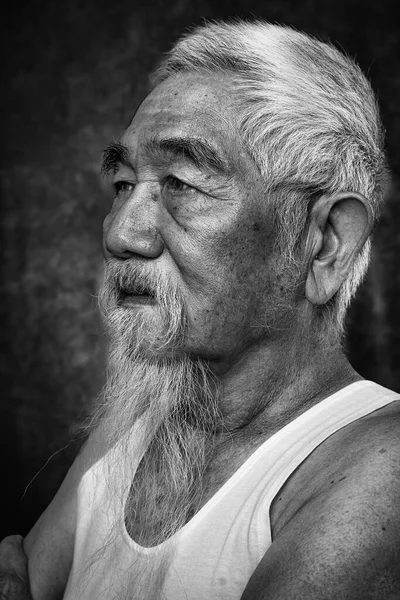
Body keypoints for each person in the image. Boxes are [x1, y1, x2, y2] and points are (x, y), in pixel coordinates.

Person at [1, 19, 399, 600]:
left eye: (182, 182)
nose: (120, 232)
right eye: (123, 182)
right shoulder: (134, 417)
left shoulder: (380, 474)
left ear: (325, 242)